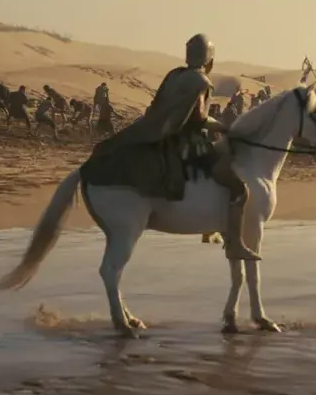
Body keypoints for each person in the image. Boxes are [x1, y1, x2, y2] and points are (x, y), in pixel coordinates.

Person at [83, 34, 261, 261]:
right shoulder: (202, 82)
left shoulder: (174, 75)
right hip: (188, 143)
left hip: (162, 138)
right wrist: (227, 129)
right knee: (237, 187)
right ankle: (234, 243)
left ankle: (212, 229)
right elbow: (199, 120)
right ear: (210, 59)